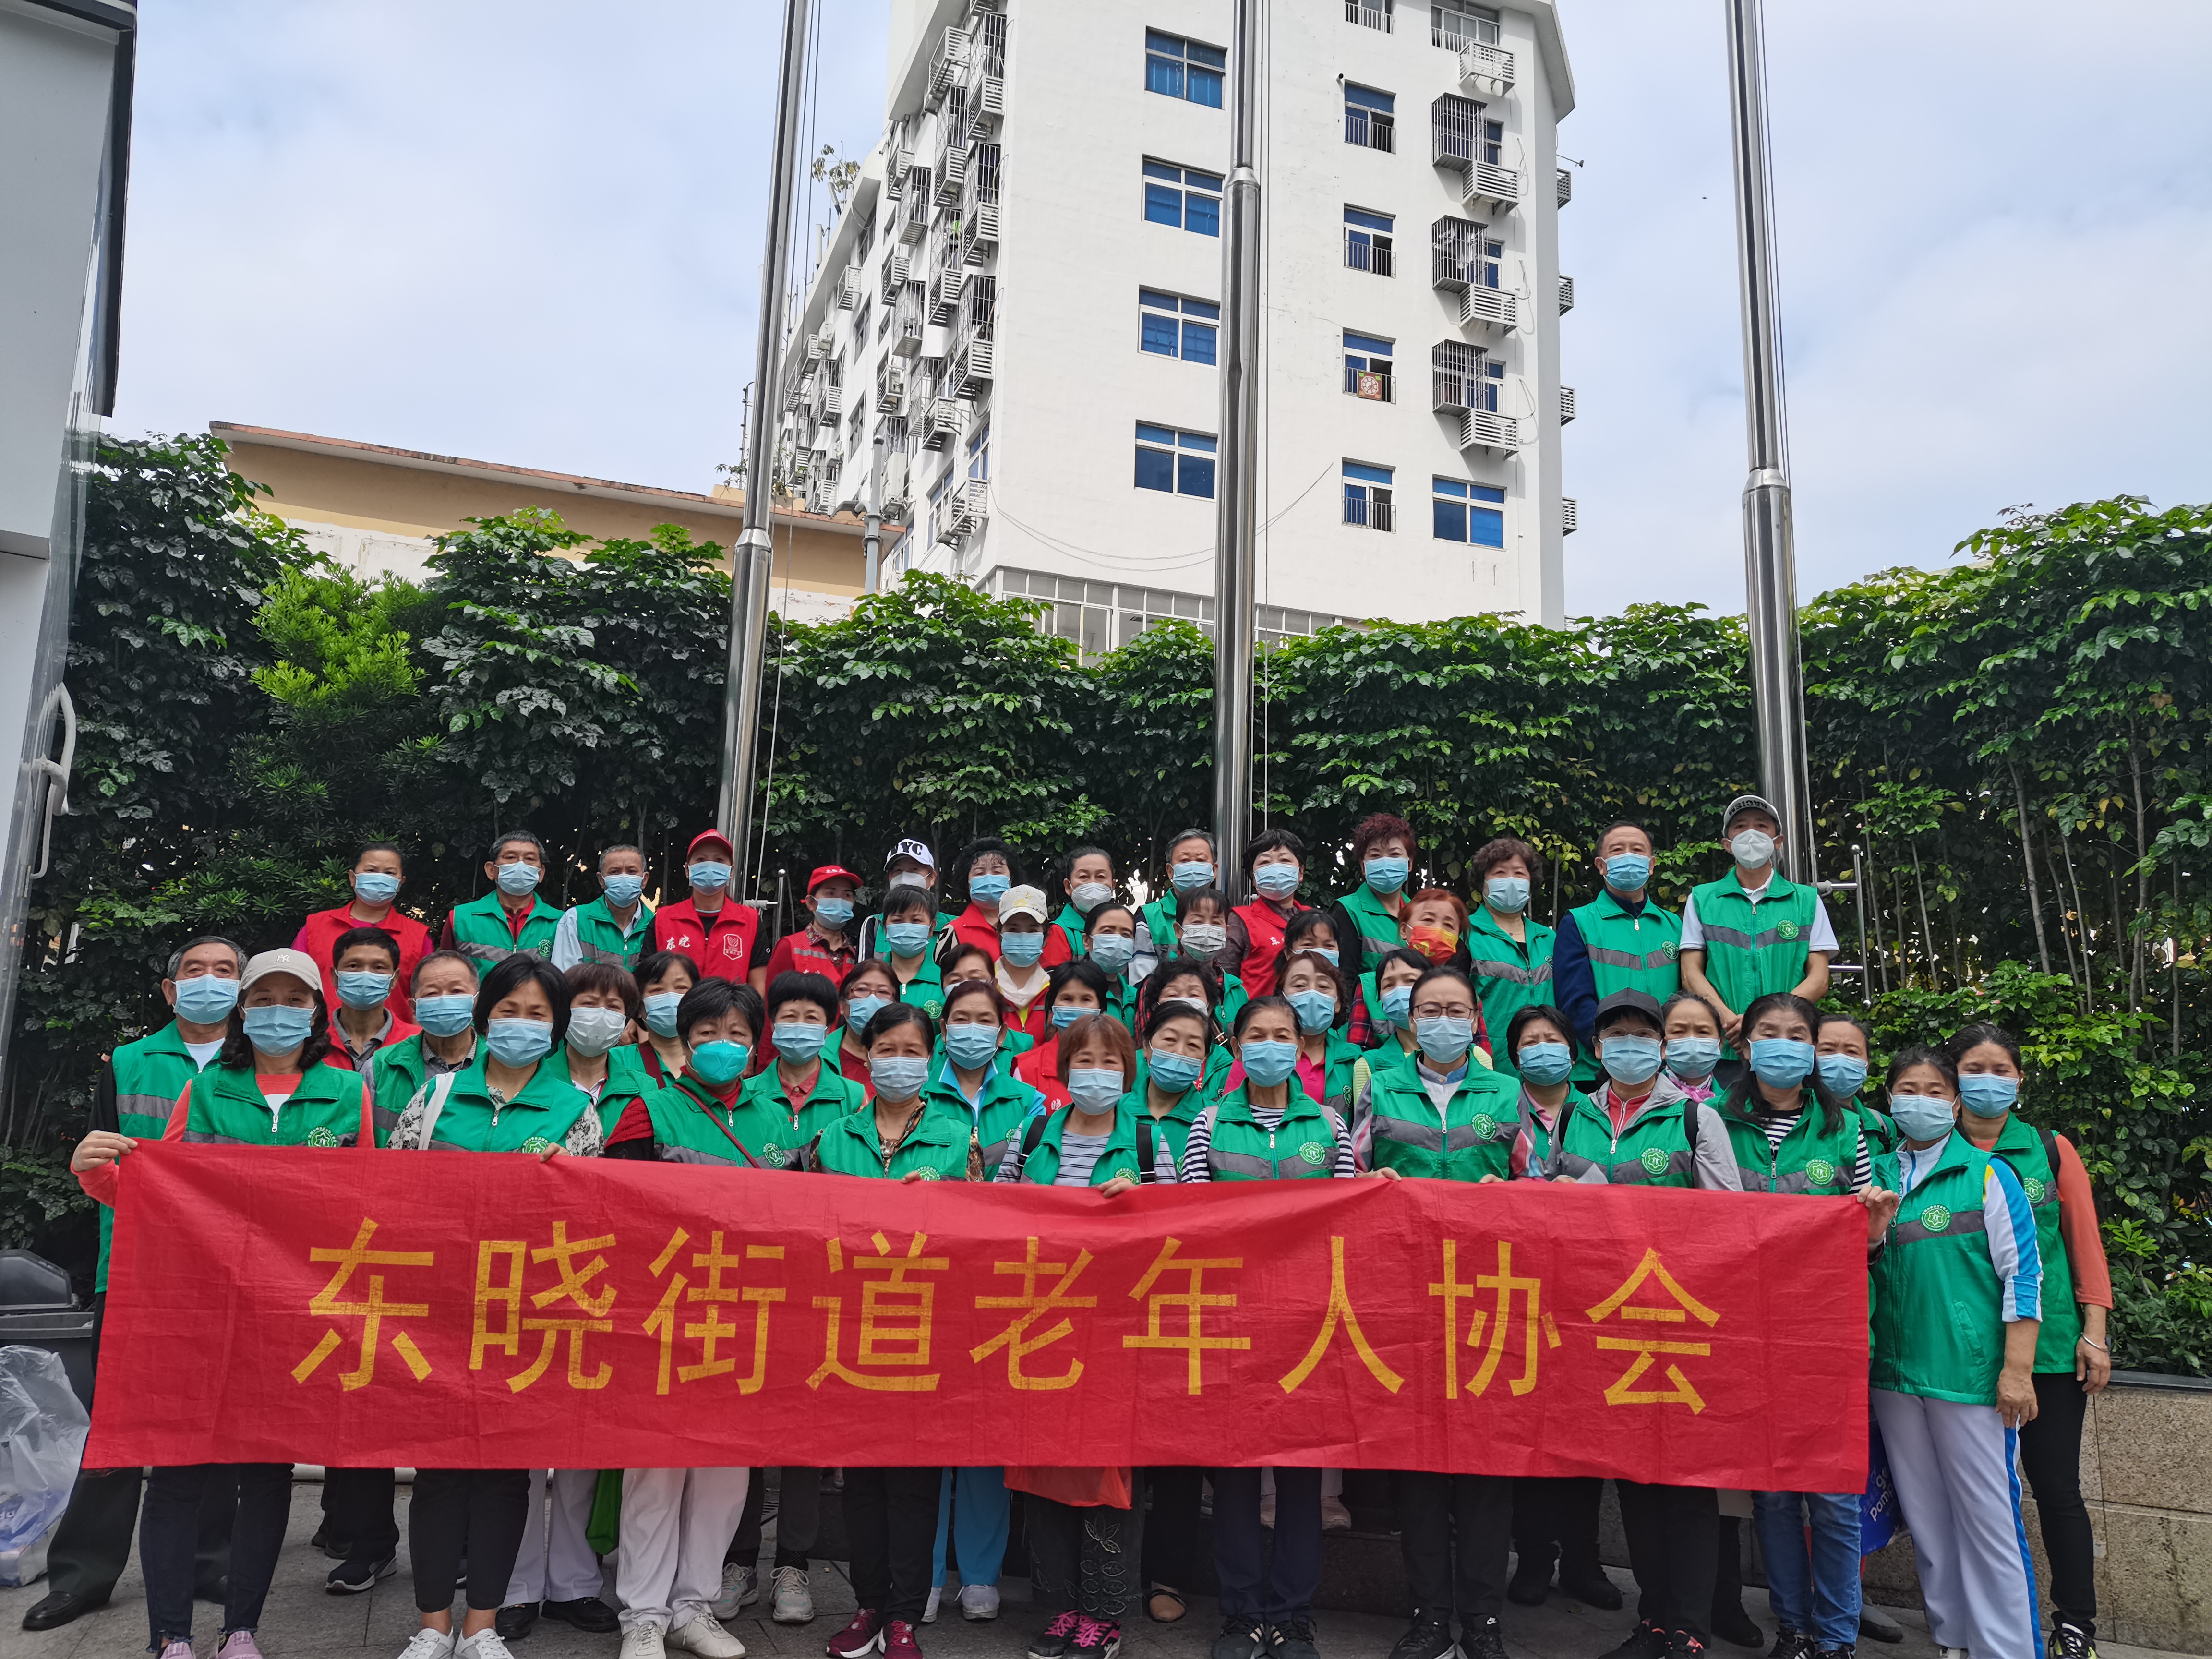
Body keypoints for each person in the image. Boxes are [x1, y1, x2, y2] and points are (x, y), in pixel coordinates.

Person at [70, 946, 365, 1659]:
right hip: (200, 1309)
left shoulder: (347, 1092)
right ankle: (170, 1637)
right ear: (244, 1010)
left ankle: (242, 1630)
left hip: (291, 1313)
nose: (277, 1012)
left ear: (316, 1013)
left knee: (266, 1477)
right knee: (177, 1471)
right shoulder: (205, 1091)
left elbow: (370, 1199)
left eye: (294, 1000)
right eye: (263, 999)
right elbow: (159, 1192)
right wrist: (95, 1175)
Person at [23, 938, 245, 1636]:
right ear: (169, 990)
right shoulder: (128, 1062)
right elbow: (105, 1163)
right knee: (117, 1425)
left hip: (228, 1271)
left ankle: (207, 1560)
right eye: (194, 971)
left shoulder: (262, 1066)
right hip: (137, 1267)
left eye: (226, 972)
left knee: (217, 1419)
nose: (209, 981)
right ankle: (83, 1574)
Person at [385, 955, 600, 1659]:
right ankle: (431, 1626)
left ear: (557, 1028)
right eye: (509, 1011)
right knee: (439, 1475)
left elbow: (588, 1224)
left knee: (505, 1478)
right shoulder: (436, 1097)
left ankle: (481, 1626)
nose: (522, 1024)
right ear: (485, 1018)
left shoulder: (576, 1110)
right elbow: (389, 1196)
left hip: (523, 1318)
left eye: (539, 1014)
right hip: (439, 1314)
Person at [1548, 990, 1740, 1659]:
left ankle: (1689, 1630)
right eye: (1616, 1035)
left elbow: (1729, 1221)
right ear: (1597, 1048)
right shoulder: (1572, 1113)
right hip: (1603, 1324)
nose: (1628, 1045)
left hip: (1678, 1324)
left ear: (1661, 1046)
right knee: (1632, 1477)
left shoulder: (1694, 1118)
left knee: (1685, 1483)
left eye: (1641, 1034)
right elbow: (1547, 1211)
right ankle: (1653, 1621)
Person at [1180, 995, 1368, 1659]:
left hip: (1308, 1323)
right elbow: (1190, 1222)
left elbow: (1349, 1221)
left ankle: (1292, 1614)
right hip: (1229, 1321)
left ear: (1299, 1043)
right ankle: (1241, 1615)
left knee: (1300, 1479)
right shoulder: (1208, 1125)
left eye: (1282, 1034)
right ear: (1236, 1046)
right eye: (1256, 1034)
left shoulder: (1329, 1124)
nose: (1270, 1045)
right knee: (1234, 1475)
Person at [1358, 966, 1528, 1659]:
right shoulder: (1379, 1087)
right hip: (1406, 1301)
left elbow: (1542, 1186)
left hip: (1490, 1300)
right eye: (1430, 1009)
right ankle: (1429, 1615)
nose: (1443, 1021)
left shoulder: (1508, 1092)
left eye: (1456, 1009)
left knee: (1486, 1470)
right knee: (1421, 1469)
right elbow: (1349, 1174)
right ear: (1410, 1018)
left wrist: (1511, 1193)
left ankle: (1482, 1620)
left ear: (1476, 1016)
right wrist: (1371, 1183)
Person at [1714, 994, 1875, 1659]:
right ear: (1746, 1046)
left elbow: (1869, 1243)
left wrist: (1874, 1225)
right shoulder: (1712, 1121)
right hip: (1746, 1336)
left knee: (1834, 1500)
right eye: (1769, 1033)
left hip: (1828, 1336)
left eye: (1797, 1034)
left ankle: (1837, 1638)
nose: (1784, 1044)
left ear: (1812, 1050)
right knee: (1774, 1497)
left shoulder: (1847, 1129)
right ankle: (1795, 1629)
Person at [1867, 1045, 2042, 1659]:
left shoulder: (1988, 1175)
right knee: (1927, 1516)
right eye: (1908, 1089)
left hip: (1969, 1376)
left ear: (1956, 1102)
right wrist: (1871, 1236)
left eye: (1935, 1091)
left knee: (1989, 1520)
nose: (1921, 1101)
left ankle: (2007, 1648)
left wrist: (2017, 1372)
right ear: (1890, 1099)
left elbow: (2023, 1275)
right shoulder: (1874, 1174)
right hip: (1893, 1374)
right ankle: (1953, 1638)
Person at [1947, 1022, 2111, 1659]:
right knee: (1970, 1497)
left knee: (2057, 1490)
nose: (1988, 1081)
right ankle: (1976, 1622)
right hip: (1958, 1354)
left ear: (2019, 1080)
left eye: (2001, 1070)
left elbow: (2083, 1244)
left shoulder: (2050, 1149)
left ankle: (2075, 1625)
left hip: (2047, 1351)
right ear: (1953, 1079)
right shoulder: (1931, 1149)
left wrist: (2095, 1333)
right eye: (1974, 1068)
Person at [811, 1005, 970, 1659]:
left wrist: (943, 1192)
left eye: (912, 1050)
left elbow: (982, 1228)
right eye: (886, 1049)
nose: (898, 1061)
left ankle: (905, 1613)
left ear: (930, 1060)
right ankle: (868, 1604)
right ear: (866, 1056)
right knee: (862, 1480)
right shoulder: (834, 1136)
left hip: (925, 1326)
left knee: (913, 1481)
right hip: (849, 1325)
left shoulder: (955, 1135)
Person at [991, 1012, 1149, 1659]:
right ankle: (1059, 1608)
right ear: (1063, 1068)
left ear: (1128, 1073)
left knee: (1106, 1476)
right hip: (1040, 1331)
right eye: (1084, 1060)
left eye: (1110, 1062)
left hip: (1114, 1336)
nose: (1096, 1073)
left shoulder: (1147, 1143)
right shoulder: (1032, 1136)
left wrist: (1141, 1200)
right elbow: (992, 1215)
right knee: (1044, 1470)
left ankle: (1104, 1615)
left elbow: (1188, 1230)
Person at [1498, 1006, 1621, 1615]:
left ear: (1575, 1051)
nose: (1542, 1049)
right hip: (1514, 1284)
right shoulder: (1499, 1107)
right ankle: (1533, 1556)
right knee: (1523, 1422)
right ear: (1514, 1054)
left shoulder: (1599, 1111)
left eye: (1553, 1039)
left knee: (1582, 1424)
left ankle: (1583, 1559)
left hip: (1588, 1287)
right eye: (1530, 1041)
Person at [1678, 796, 1836, 1058]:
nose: (1751, 833)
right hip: (1723, 1045)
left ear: (1778, 841)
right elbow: (1690, 974)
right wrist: (1729, 1020)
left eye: (1761, 826)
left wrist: (1764, 1022)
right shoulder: (1702, 899)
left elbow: (1819, 980)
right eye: (1740, 826)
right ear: (1727, 844)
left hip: (1787, 1045)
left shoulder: (1807, 901)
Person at [1553, 821, 1682, 1087]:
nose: (1628, 856)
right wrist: (1613, 1049)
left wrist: (1662, 1047)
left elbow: (1685, 994)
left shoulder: (1674, 925)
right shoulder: (1579, 922)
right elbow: (1575, 1000)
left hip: (1666, 1066)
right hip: (1599, 1069)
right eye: (1617, 850)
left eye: (1637, 850)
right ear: (1601, 865)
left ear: (1652, 865)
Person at [296, 841, 433, 1019]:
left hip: (396, 1035)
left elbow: (426, 998)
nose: (380, 878)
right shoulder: (315, 927)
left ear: (400, 883)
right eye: (371, 870)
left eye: (389, 873)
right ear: (353, 878)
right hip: (324, 1034)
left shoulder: (418, 937)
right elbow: (295, 987)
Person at [1222, 949, 1360, 1116]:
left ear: (1337, 1003)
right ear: (1283, 997)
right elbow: (1229, 1115)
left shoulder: (1354, 1060)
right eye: (1300, 985)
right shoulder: (1256, 1052)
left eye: (1323, 987)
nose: (1312, 994)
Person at [1464, 838, 1555, 1081]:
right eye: (1500, 873)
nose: (1511, 880)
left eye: (1519, 873)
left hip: (1547, 1062)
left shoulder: (1550, 939)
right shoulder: (1466, 935)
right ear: (1482, 883)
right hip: (1488, 1063)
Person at [653, 828, 770, 989]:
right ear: (687, 870)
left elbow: (759, 987)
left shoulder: (751, 922)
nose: (709, 866)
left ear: (731, 871)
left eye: (719, 860)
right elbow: (649, 983)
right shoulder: (662, 920)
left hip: (731, 1006)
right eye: (701, 860)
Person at [443, 829, 562, 977]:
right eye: (510, 857)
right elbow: (445, 974)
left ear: (541, 873)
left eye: (530, 859)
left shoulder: (561, 922)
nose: (520, 865)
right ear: (491, 870)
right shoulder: (460, 919)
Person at [1325, 812, 1418, 983]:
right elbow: (1343, 981)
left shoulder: (1419, 913)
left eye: (1395, 855)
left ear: (1409, 864)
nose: (1386, 862)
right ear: (1364, 867)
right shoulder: (1348, 911)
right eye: (1375, 856)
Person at [1012, 959, 1116, 1110]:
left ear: (1101, 1008)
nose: (1076, 1007)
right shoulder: (1026, 1069)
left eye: (1086, 999)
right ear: (1053, 1007)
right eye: (1067, 999)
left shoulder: (1115, 1066)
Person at [560, 960, 650, 1133]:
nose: (601, 1013)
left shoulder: (644, 1089)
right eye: (589, 1003)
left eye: (613, 1006)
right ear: (564, 1010)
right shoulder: (533, 1081)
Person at [1224, 829, 1311, 998]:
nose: (1276, 868)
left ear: (1300, 872)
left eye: (1285, 860)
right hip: (1258, 1013)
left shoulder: (1314, 921)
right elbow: (1226, 981)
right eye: (1265, 862)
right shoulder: (1239, 920)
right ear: (1254, 877)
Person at [327, 926, 423, 1069]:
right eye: (353, 966)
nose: (366, 974)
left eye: (379, 967)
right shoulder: (311, 1040)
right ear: (335, 977)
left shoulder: (417, 1041)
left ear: (394, 979)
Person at [551, 842, 656, 972]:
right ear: (601, 880)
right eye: (615, 872)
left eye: (631, 872)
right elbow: (564, 977)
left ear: (644, 880)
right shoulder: (576, 920)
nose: (623, 877)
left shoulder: (656, 925)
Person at [764, 864, 865, 987]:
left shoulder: (857, 954)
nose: (840, 901)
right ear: (811, 903)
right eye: (831, 893)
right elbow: (773, 996)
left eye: (847, 895)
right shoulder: (790, 947)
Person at [855, 838, 942, 959]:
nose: (905, 877)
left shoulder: (953, 925)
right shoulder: (874, 924)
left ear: (932, 877)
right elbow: (863, 970)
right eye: (898, 870)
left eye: (914, 869)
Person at [945, 836, 1025, 964]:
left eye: (997, 871)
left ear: (1012, 879)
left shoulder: (1030, 925)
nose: (989, 878)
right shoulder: (953, 931)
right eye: (979, 873)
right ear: (967, 883)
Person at [993, 885, 1057, 1041]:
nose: (1023, 936)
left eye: (1032, 931)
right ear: (1000, 937)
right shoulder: (984, 985)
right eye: (1013, 930)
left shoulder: (1057, 990)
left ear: (1045, 939)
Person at [1357, 947, 1434, 1073]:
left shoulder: (1466, 1057)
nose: (1399, 990)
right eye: (1389, 985)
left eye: (1411, 980)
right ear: (1382, 1004)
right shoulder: (1368, 1065)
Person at [632, 950, 702, 1086]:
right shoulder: (618, 1060)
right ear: (639, 1006)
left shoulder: (712, 1059)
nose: (670, 997)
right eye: (657, 990)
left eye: (681, 987)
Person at [879, 885, 949, 1018]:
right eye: (897, 921)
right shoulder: (870, 978)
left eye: (916, 921)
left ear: (931, 928)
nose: (907, 928)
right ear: (885, 927)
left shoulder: (946, 980)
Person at [834, 959, 902, 1090]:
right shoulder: (820, 1056)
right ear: (842, 1005)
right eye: (862, 990)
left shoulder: (906, 1058)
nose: (872, 999)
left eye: (883, 992)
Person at [1050, 844, 1119, 962]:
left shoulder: (1123, 928)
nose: (1093, 883)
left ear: (1112, 886)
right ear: (1068, 887)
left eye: (1101, 876)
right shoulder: (1059, 932)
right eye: (1083, 876)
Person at [1084, 901, 1142, 1032]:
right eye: (1107, 932)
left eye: (1126, 934)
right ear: (1087, 941)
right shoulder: (1075, 995)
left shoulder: (1137, 997)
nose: (1118, 940)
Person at [1659, 993, 1726, 1099]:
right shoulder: (1644, 1101)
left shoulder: (1736, 1103)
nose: (1692, 1040)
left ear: (1720, 1044)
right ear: (1662, 1045)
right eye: (1678, 1031)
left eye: (1703, 1032)